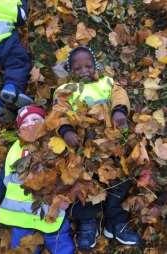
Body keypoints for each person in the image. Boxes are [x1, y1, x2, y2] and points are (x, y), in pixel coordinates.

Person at [54, 46, 142, 250]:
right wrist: (66, 131)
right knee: (80, 181)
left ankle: (116, 219)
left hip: (109, 144)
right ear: (69, 71)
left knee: (120, 178)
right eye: (77, 68)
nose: (84, 70)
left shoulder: (106, 83)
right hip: (81, 147)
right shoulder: (66, 90)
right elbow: (58, 113)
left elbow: (119, 95)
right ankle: (87, 222)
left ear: (95, 66)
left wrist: (119, 111)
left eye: (88, 66)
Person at [0, 105, 75, 254]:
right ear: (19, 130)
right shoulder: (15, 149)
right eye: (25, 122)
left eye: (35, 119)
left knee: (59, 240)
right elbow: (5, 173)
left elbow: (68, 174)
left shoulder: (54, 142)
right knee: (22, 246)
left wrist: (67, 197)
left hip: (49, 209)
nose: (30, 124)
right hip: (19, 215)